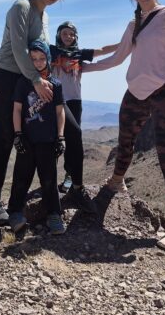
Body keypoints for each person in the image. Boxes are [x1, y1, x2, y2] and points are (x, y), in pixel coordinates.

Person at [82, 0, 165, 251]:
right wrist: (82, 68)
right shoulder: (134, 23)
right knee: (125, 142)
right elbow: (118, 57)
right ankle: (117, 182)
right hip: (135, 91)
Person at [0, 0, 66, 225]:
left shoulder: (45, 16)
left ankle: (25, 202)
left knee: (35, 138)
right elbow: (20, 48)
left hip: (31, 80)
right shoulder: (22, 7)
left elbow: (39, 50)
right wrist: (36, 80)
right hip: (7, 78)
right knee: (2, 141)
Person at [50, 21, 117, 196]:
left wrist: (123, 44)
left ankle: (70, 178)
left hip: (74, 103)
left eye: (71, 34)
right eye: (64, 33)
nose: (68, 37)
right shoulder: (51, 51)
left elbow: (102, 50)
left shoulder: (79, 54)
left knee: (73, 142)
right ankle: (49, 180)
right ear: (58, 35)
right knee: (53, 140)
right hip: (54, 101)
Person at [7, 40, 66, 235]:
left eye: (41, 58)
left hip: (48, 140)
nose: (38, 62)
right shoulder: (23, 83)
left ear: (48, 59)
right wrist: (17, 134)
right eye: (33, 59)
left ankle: (54, 215)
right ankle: (15, 213)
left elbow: (60, 112)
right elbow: (16, 110)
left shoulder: (55, 85)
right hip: (27, 139)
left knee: (49, 179)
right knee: (21, 178)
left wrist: (60, 137)